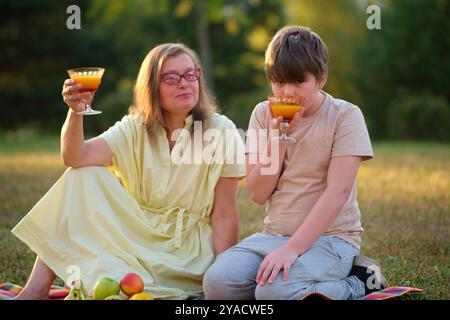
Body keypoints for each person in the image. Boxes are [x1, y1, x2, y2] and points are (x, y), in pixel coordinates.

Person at [12, 43, 245, 300]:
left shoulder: (222, 130)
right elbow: (75, 157)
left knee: (126, 288)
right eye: (171, 77)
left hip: (187, 251)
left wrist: (223, 273)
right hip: (136, 236)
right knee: (81, 175)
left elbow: (224, 213)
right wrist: (76, 112)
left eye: (191, 74)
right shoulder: (135, 128)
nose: (184, 83)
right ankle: (35, 290)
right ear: (152, 87)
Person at [203, 26, 387, 300]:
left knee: (273, 292)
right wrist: (277, 140)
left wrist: (292, 249)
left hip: (332, 239)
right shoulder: (263, 114)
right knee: (217, 283)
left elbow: (337, 193)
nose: (287, 92)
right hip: (273, 236)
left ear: (321, 78)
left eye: (299, 81)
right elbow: (257, 193)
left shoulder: (345, 116)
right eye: (278, 81)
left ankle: (358, 282)